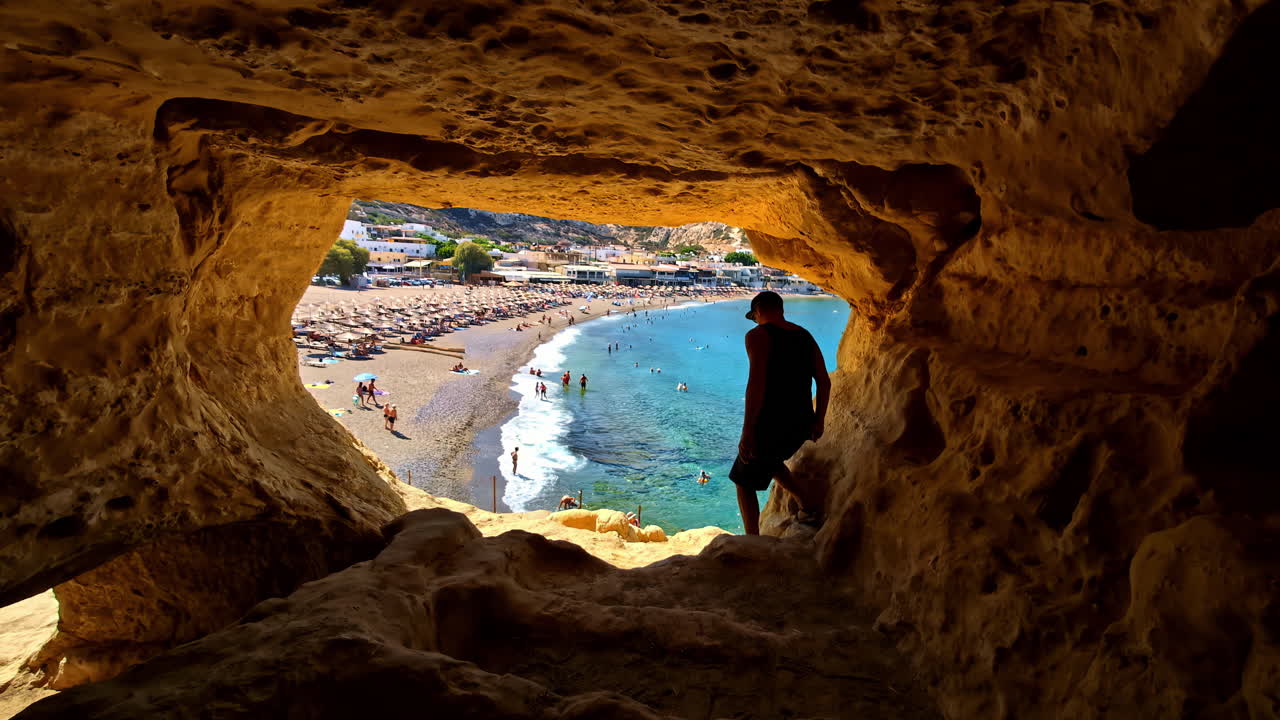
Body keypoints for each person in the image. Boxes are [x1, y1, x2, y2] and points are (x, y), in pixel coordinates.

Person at [730, 291, 831, 535]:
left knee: (742, 480)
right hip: (801, 423)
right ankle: (808, 505)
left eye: (753, 316)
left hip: (770, 423)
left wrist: (747, 432)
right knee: (771, 461)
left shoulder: (757, 335)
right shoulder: (804, 335)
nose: (754, 320)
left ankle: (752, 538)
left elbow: (756, 384)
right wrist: (818, 420)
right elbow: (824, 382)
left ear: (758, 311)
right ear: (781, 308)